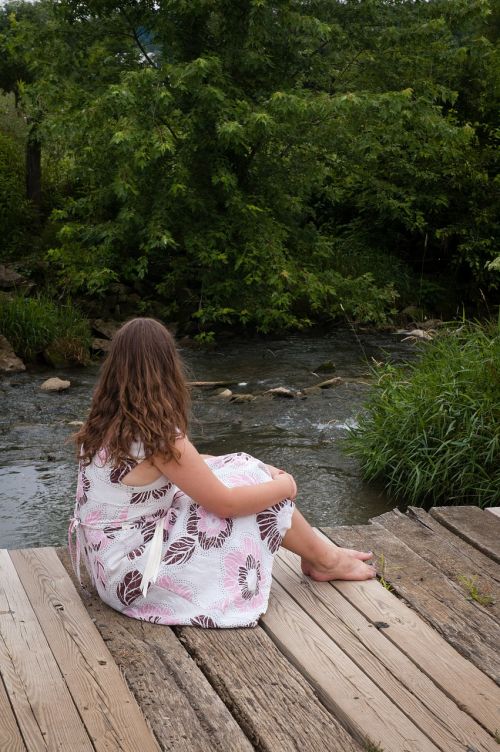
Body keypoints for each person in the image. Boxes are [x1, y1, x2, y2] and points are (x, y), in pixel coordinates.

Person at [69, 318, 375, 628]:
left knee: (241, 466)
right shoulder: (158, 435)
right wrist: (285, 485)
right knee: (261, 495)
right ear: (167, 367)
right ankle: (324, 560)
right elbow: (225, 504)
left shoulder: (104, 421)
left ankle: (319, 554)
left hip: (109, 569)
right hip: (139, 581)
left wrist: (251, 464)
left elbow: (188, 464)